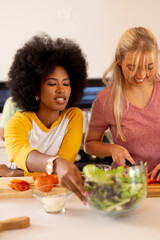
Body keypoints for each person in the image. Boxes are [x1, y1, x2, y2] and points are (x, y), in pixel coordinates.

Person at [0, 33, 88, 201]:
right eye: (52, 83)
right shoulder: (17, 123)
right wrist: (56, 164)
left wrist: (10, 172)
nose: (61, 89)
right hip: (20, 189)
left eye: (66, 83)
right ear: (35, 89)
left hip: (52, 191)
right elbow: (29, 157)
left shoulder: (74, 116)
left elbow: (64, 166)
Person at [84, 27, 160, 181]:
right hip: (125, 183)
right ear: (119, 59)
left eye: (149, 67)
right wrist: (112, 149)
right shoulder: (106, 99)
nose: (141, 75)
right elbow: (90, 144)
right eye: (132, 68)